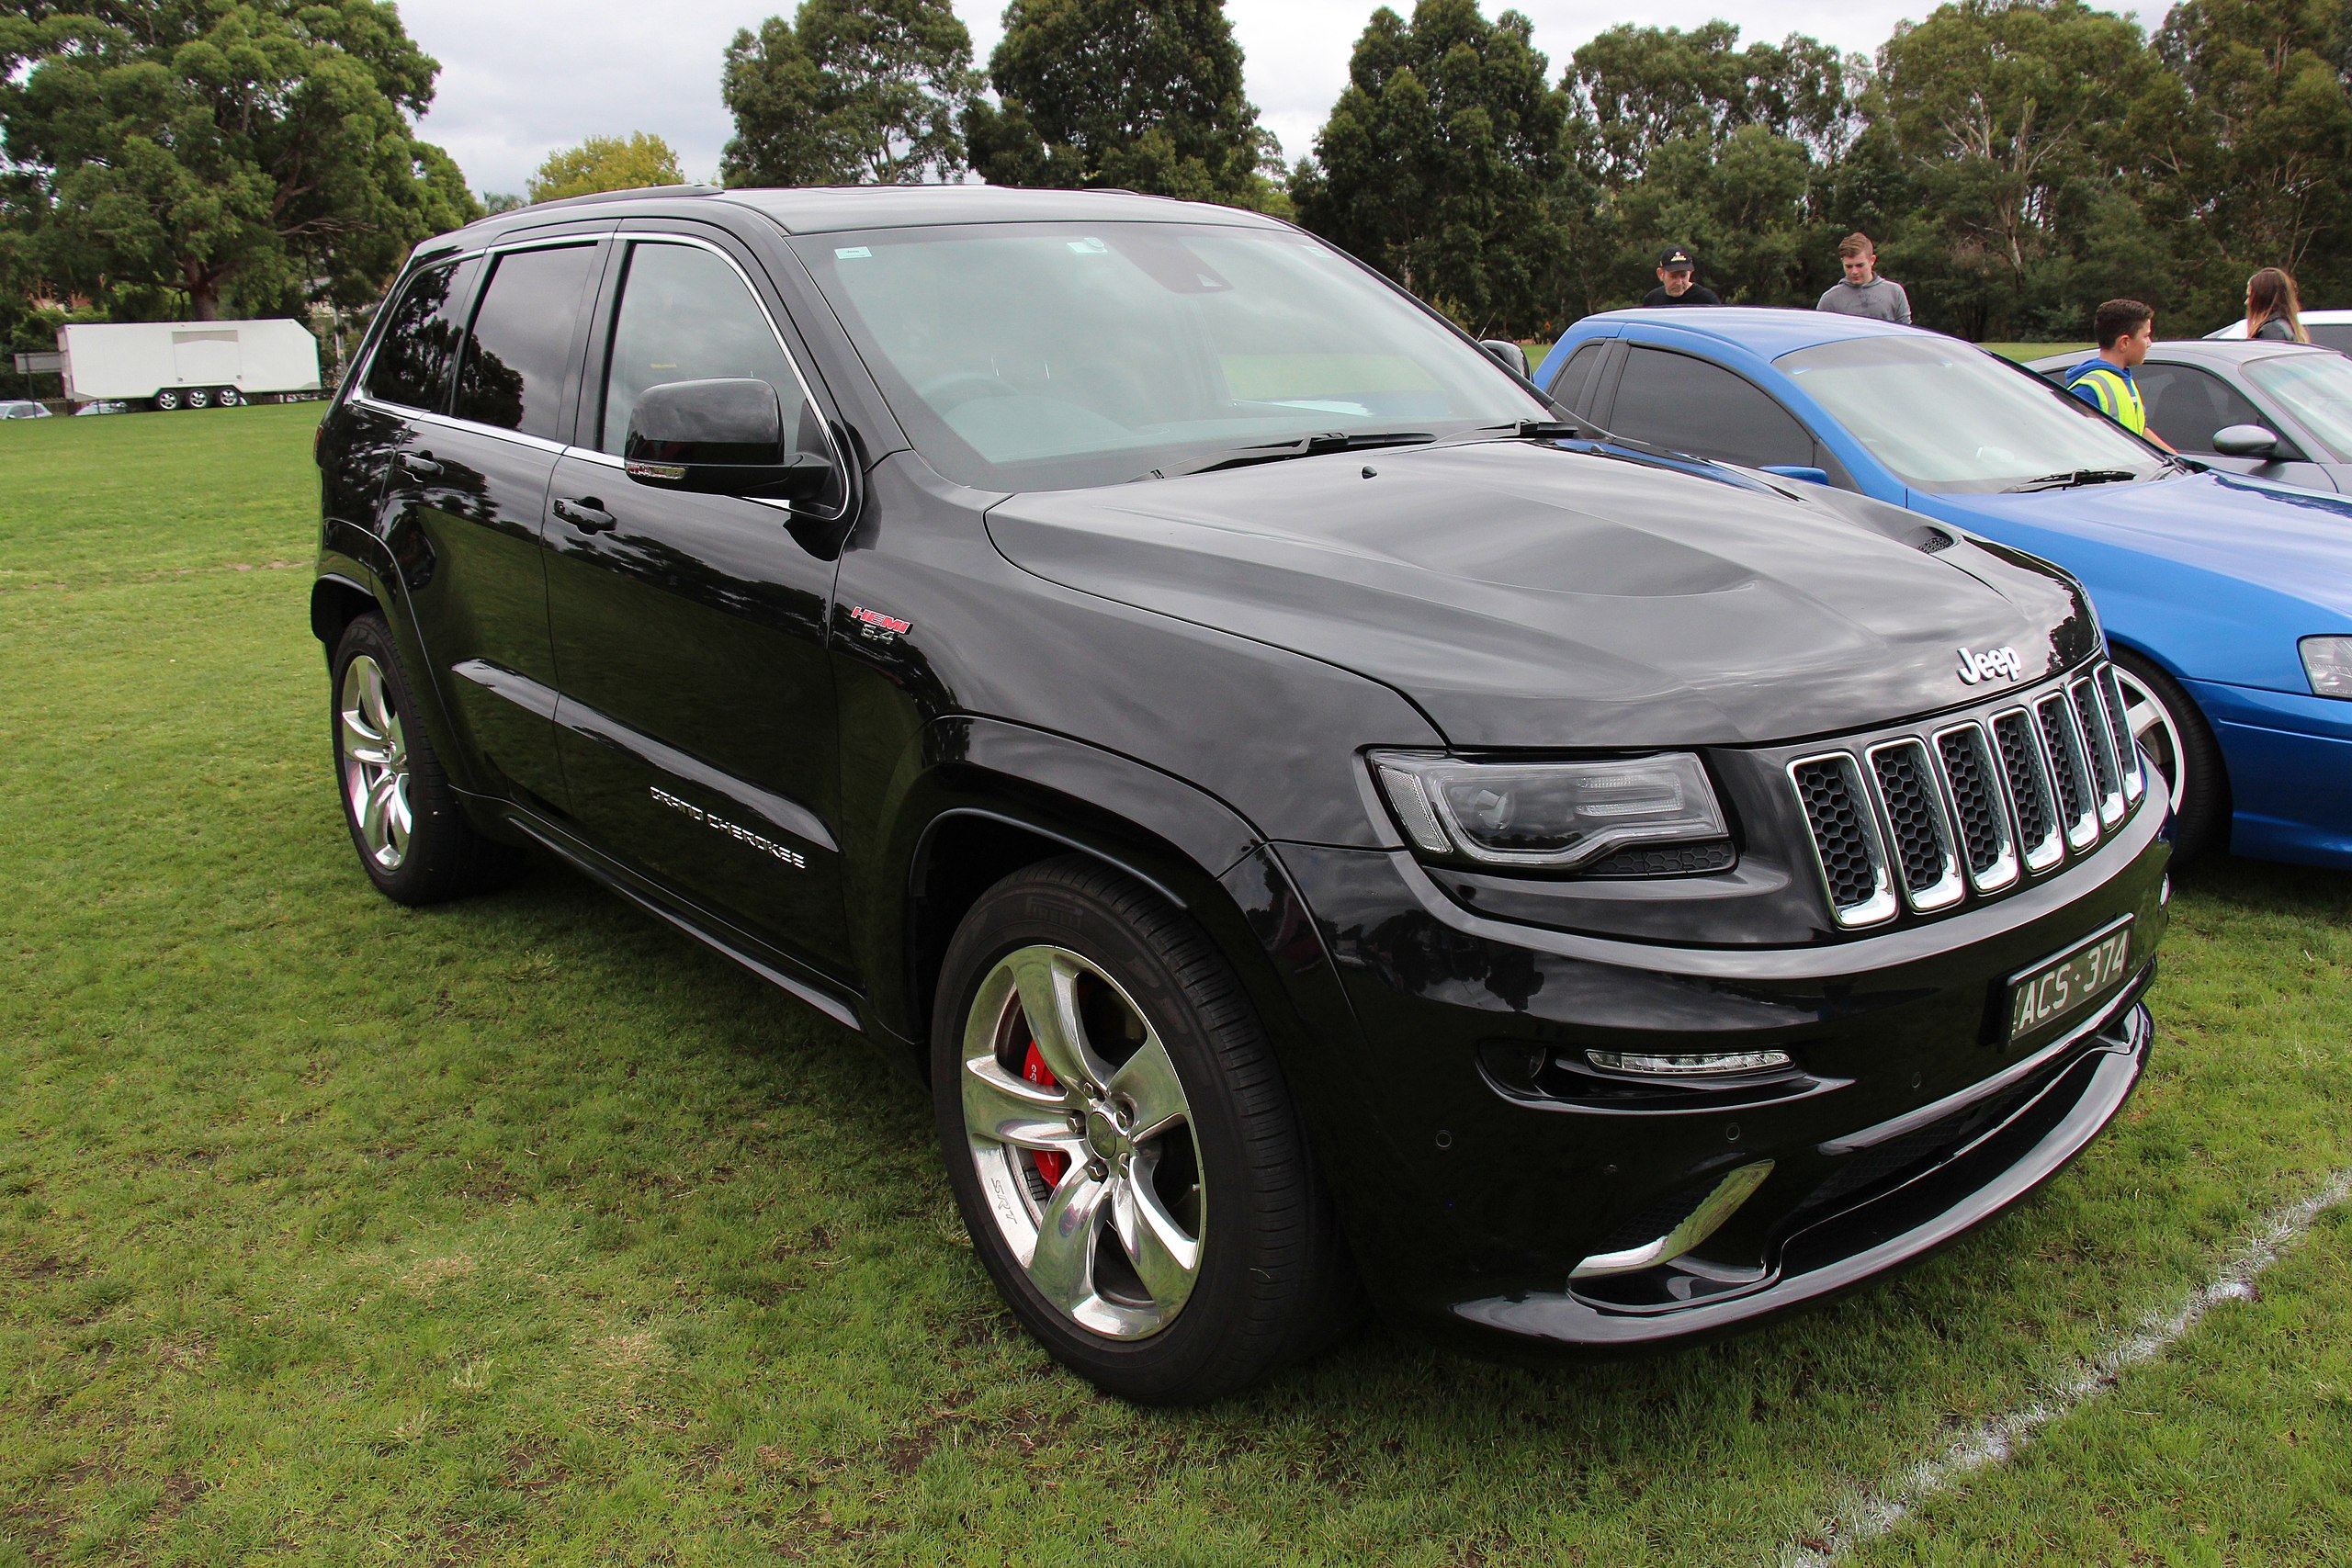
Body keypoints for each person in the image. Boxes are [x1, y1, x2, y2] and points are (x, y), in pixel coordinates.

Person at [2064, 298, 2169, 448]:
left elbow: (2140, 431)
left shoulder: (2123, 378)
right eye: (2145, 336)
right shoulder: (2088, 390)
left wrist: (2178, 461)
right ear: (2124, 343)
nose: (2149, 343)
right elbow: (2077, 446)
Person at [1815, 233, 1912, 323]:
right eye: (1849, 266)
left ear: (1872, 260)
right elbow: (1821, 333)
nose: (1854, 272)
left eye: (1860, 265)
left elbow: (1905, 333)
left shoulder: (1895, 292)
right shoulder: (1830, 299)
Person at [2244, 266, 2310, 343]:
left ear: (2262, 299)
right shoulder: (2285, 326)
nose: (2247, 302)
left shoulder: (2271, 330)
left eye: (2250, 296)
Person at [1643, 246, 1722, 307]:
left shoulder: (1706, 300)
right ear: (1661, 274)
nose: (1679, 283)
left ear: (1690, 273)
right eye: (1673, 276)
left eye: (1683, 276)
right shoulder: (1652, 300)